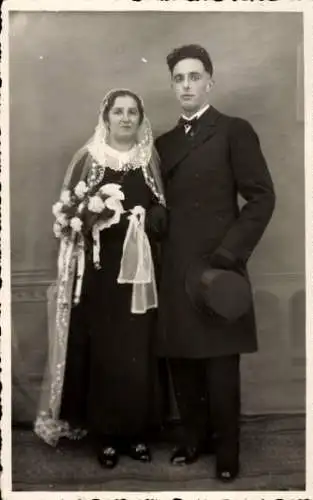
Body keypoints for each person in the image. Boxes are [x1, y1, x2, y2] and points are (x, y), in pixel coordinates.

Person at [155, 45, 276, 481]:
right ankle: (193, 440)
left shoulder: (233, 131)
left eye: (194, 76)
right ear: (172, 86)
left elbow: (262, 197)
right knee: (183, 361)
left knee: (221, 365)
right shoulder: (163, 144)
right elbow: (162, 206)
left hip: (219, 267)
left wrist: (229, 255)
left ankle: (228, 453)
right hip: (176, 271)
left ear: (210, 81)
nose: (187, 85)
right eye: (179, 79)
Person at [34, 89, 166, 469]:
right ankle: (107, 436)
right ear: (106, 117)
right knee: (106, 351)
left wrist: (149, 217)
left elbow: (162, 206)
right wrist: (91, 217)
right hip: (99, 271)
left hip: (139, 272)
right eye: (118, 112)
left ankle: (137, 433)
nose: (126, 119)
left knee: (138, 348)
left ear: (141, 119)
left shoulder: (147, 160)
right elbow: (69, 216)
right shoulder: (89, 160)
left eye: (133, 113)